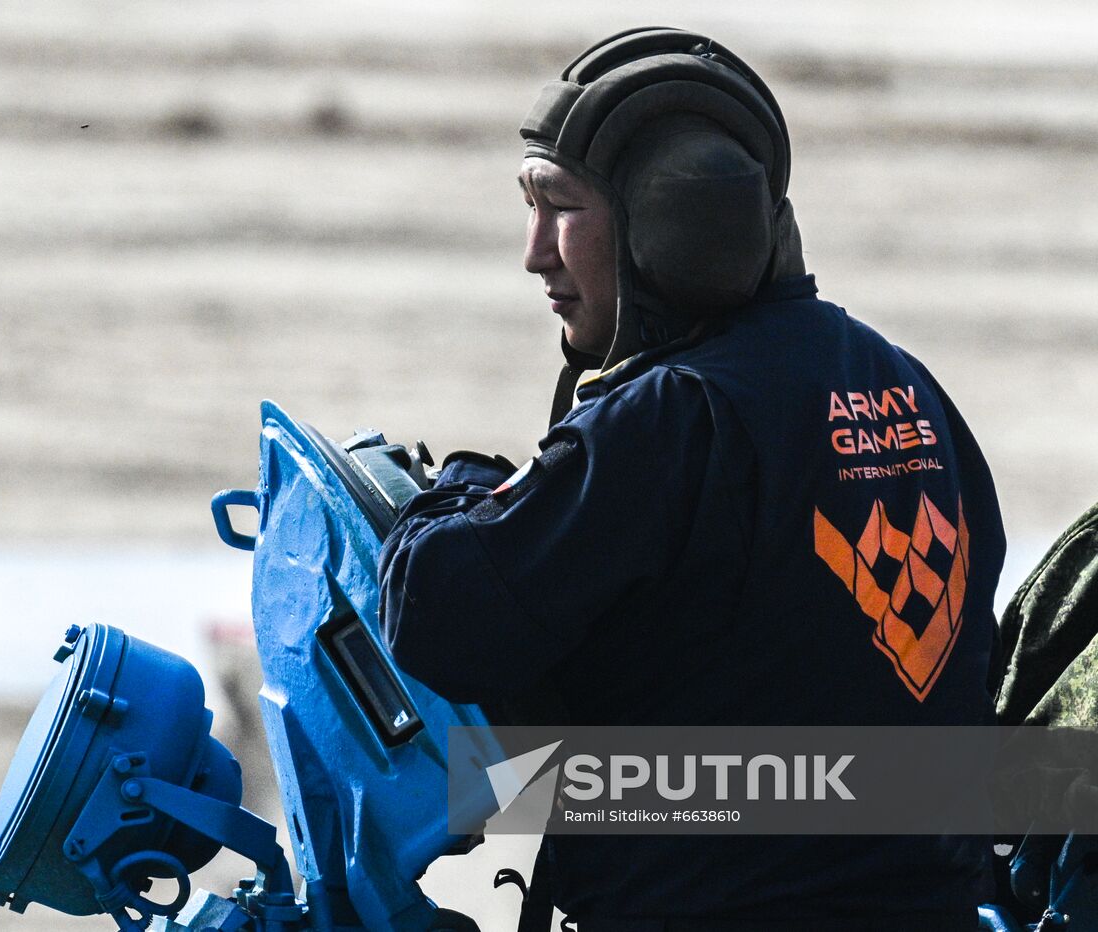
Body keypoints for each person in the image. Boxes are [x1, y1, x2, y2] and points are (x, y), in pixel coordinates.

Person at [377, 27, 1006, 931]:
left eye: (559, 206)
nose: (535, 252)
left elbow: (441, 610)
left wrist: (461, 487)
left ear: (668, 224)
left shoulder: (676, 416)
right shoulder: (907, 384)